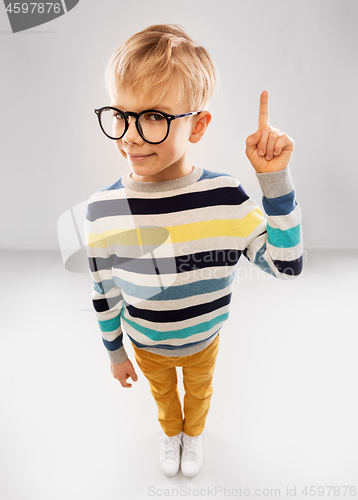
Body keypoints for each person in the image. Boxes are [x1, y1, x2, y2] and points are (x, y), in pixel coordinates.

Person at [84, 24, 303, 478]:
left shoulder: (226, 197)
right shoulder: (103, 210)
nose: (131, 135)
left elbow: (287, 266)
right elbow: (103, 291)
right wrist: (115, 351)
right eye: (122, 115)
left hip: (204, 340)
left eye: (154, 117)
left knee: (199, 393)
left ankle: (194, 434)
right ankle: (172, 434)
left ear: (198, 125)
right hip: (146, 345)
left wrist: (274, 183)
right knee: (164, 396)